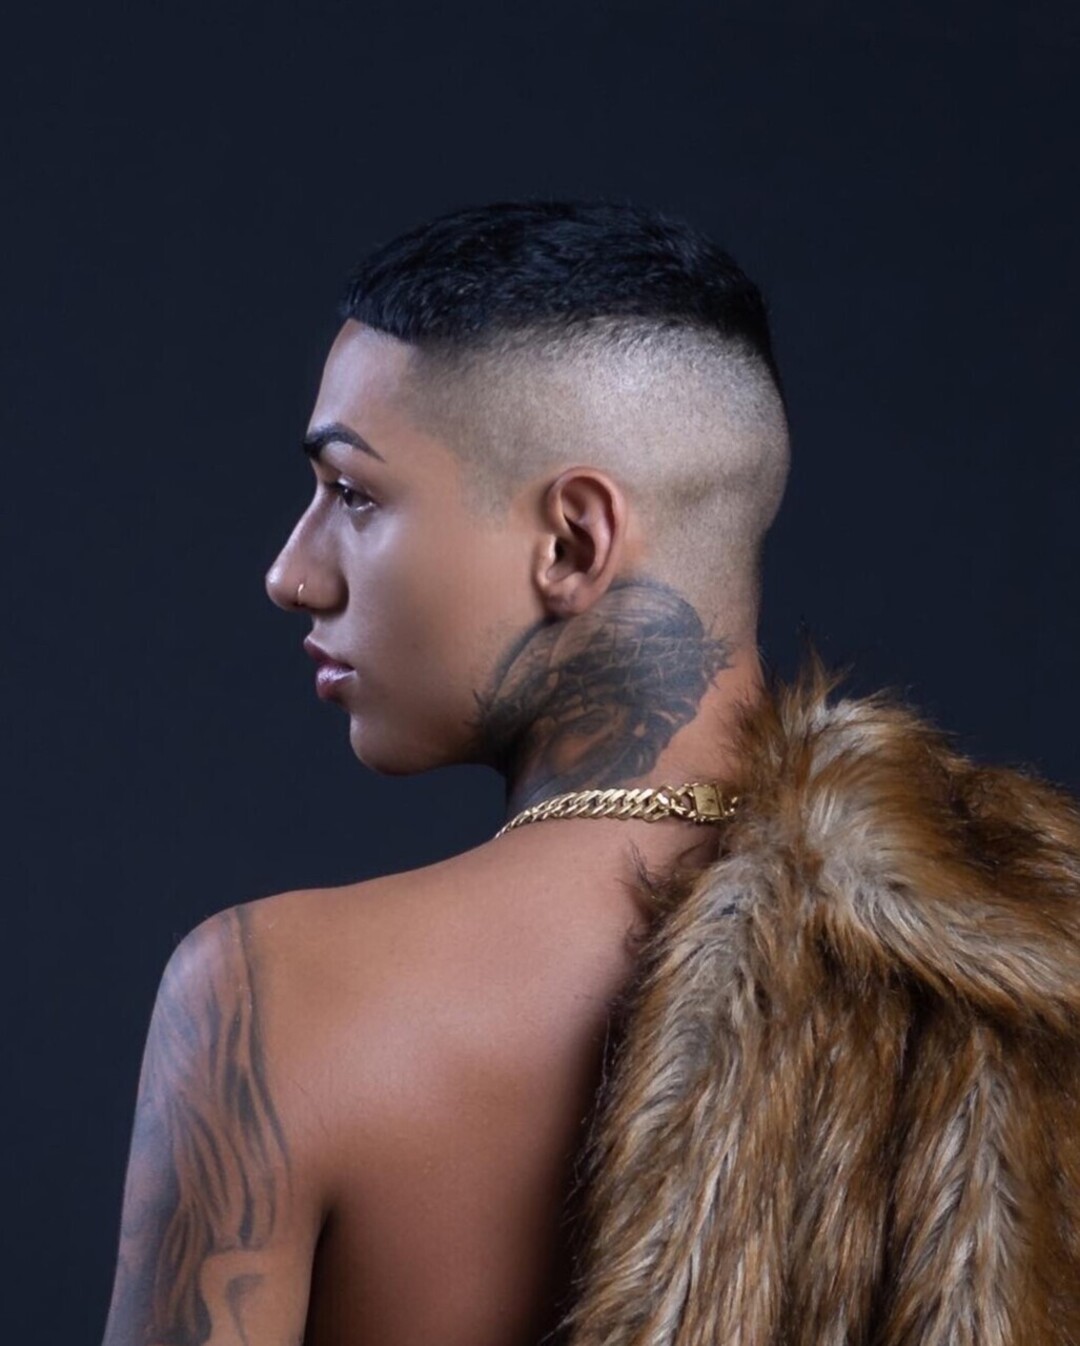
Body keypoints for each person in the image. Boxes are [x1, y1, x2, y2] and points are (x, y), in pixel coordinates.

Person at [100, 199, 1080, 1346]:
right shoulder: (1022, 956)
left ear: (572, 541)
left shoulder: (268, 1000)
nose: (292, 572)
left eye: (354, 494)